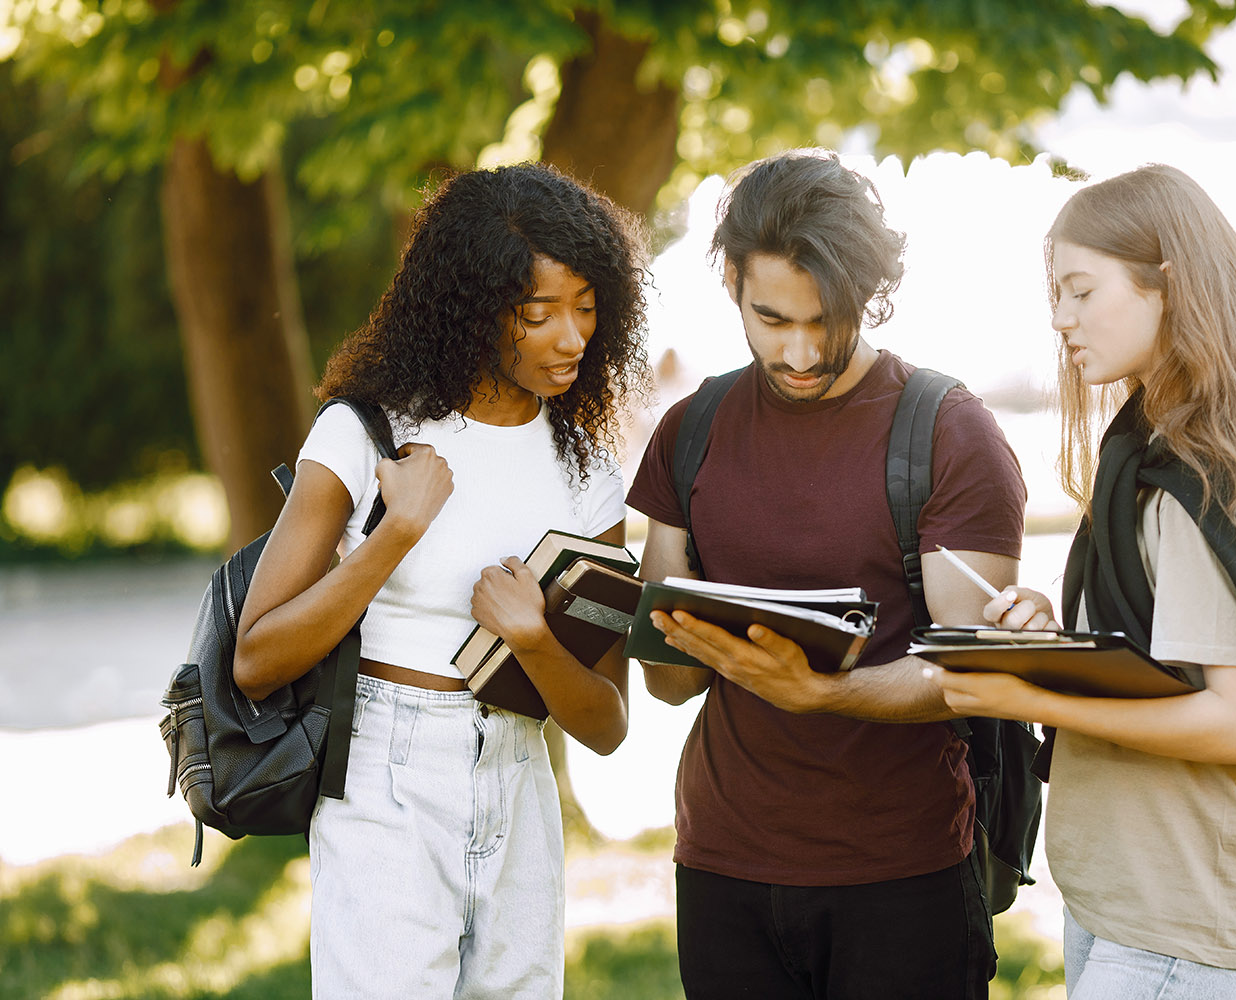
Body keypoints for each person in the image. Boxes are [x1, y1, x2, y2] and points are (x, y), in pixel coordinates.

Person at [926, 163, 1236, 999]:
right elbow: (1167, 658)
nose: (1060, 318)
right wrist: (1057, 638)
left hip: (1180, 918)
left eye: (1081, 291)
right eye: (1056, 295)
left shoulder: (1202, 478)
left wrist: (1026, 697)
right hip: (1132, 897)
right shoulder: (1157, 448)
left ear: (1167, 283)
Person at [230, 164, 652, 998]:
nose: (572, 337)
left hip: (520, 777)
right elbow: (256, 657)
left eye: (587, 306)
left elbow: (607, 724)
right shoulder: (365, 433)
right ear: (474, 306)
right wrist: (396, 534)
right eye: (539, 313)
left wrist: (532, 639)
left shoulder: (587, 474)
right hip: (385, 777)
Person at [627, 149, 1028, 999]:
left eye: (827, 320)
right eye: (772, 319)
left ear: (868, 293)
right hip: (723, 865)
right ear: (732, 281)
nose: (802, 352)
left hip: (902, 872)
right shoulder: (688, 430)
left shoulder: (949, 432)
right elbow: (668, 684)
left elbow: (975, 672)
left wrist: (823, 693)